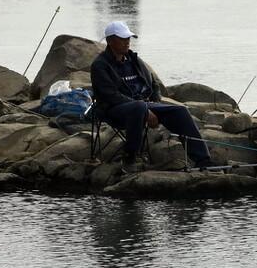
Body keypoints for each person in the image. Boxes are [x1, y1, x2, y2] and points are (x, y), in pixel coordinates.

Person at [90, 21, 215, 172]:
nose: (127, 42)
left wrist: (155, 101)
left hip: (144, 105)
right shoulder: (100, 65)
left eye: (128, 38)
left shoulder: (133, 59)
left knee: (180, 111)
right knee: (139, 107)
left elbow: (153, 83)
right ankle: (130, 159)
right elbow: (110, 96)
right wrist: (145, 110)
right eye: (122, 39)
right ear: (110, 41)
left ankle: (203, 160)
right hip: (114, 110)